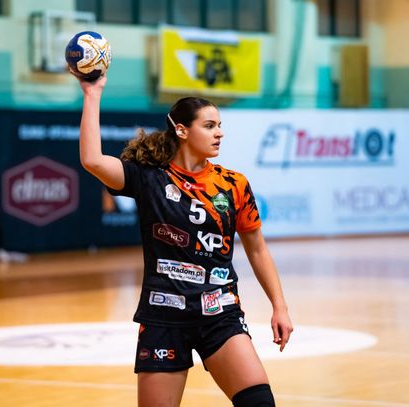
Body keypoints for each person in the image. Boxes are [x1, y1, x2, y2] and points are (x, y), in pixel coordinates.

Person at [77, 74, 293, 407]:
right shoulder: (150, 178)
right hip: (163, 318)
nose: (219, 133)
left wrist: (279, 306)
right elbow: (92, 160)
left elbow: (258, 249)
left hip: (220, 313)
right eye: (209, 126)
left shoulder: (233, 184)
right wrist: (93, 93)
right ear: (182, 130)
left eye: (219, 125)